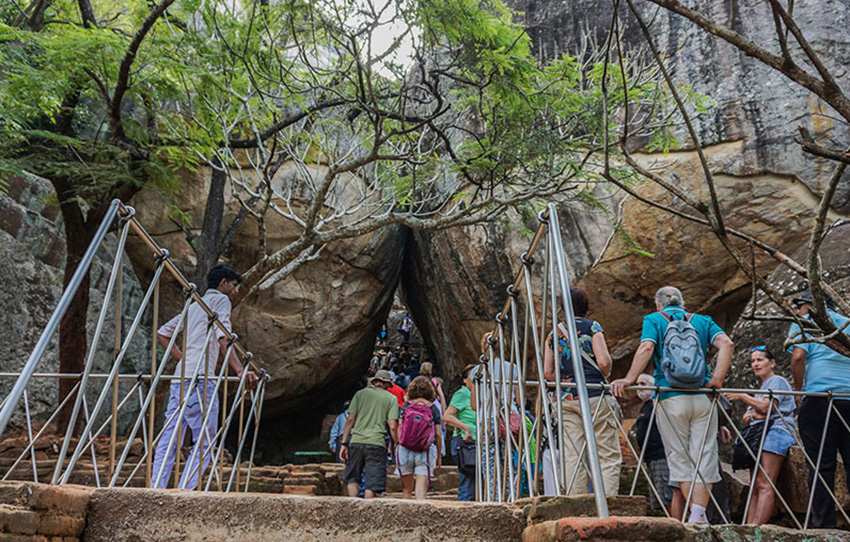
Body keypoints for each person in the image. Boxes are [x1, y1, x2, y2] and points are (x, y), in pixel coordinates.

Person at [612, 286, 734, 524]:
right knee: (705, 457)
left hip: (670, 399)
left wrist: (628, 378)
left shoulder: (655, 320)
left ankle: (696, 518)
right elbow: (727, 344)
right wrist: (717, 379)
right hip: (703, 397)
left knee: (680, 459)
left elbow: (647, 347)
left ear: (659, 305)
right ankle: (699, 515)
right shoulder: (702, 321)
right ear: (683, 303)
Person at [152, 264, 257, 489]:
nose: (236, 291)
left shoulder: (194, 305)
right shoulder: (221, 301)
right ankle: (185, 490)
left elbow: (163, 333)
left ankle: (157, 486)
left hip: (181, 377)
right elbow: (224, 337)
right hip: (201, 378)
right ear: (223, 283)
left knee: (171, 436)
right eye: (234, 285)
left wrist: (182, 358)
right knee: (205, 441)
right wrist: (239, 370)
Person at [543, 287, 621, 496]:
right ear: (586, 306)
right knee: (606, 452)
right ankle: (609, 503)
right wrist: (604, 373)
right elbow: (603, 361)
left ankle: (576, 504)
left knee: (572, 453)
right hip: (595, 394)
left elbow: (548, 373)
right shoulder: (592, 327)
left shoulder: (553, 334)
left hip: (566, 398)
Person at [787, 290, 850, 529]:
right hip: (848, 397)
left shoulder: (806, 323)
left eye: (798, 306)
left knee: (820, 463)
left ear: (809, 306)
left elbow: (798, 357)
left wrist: (798, 391)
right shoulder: (847, 323)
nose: (796, 311)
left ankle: (824, 525)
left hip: (820, 398)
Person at [724, 345, 796, 525]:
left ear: (772, 363)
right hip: (759, 433)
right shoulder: (762, 387)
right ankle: (748, 527)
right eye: (753, 361)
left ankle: (758, 529)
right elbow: (748, 416)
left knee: (765, 482)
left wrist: (743, 396)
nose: (755, 364)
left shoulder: (777, 381)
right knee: (755, 484)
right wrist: (757, 409)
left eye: (760, 359)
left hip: (776, 431)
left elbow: (767, 408)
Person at [340, 369, 399, 499]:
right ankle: (367, 511)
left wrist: (344, 443)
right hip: (376, 442)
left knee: (353, 477)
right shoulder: (391, 399)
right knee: (372, 482)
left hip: (356, 440)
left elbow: (350, 419)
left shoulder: (360, 394)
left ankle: (352, 505)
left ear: (375, 381)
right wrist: (397, 443)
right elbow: (393, 426)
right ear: (387, 384)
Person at [631, 374, 672, 513]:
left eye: (643, 384)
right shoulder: (646, 406)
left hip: (661, 454)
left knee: (666, 495)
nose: (639, 387)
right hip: (650, 457)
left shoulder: (659, 403)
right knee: (658, 497)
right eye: (638, 384)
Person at [397, 376, 442, 499]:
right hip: (425, 451)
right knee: (421, 491)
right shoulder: (433, 408)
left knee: (406, 490)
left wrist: (398, 445)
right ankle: (419, 515)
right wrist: (438, 454)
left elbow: (399, 428)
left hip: (405, 449)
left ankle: (405, 517)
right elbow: (438, 433)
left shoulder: (406, 406)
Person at [444, 364, 478, 501]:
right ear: (465, 380)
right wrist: (465, 427)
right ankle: (464, 507)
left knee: (475, 479)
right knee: (468, 478)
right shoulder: (463, 393)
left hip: (477, 441)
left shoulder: (479, 394)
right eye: (473, 376)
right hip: (466, 442)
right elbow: (447, 416)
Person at [420, 362, 447, 456]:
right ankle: (440, 451)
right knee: (439, 428)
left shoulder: (418, 380)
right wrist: (444, 412)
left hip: (420, 404)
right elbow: (442, 396)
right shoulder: (434, 381)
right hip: (434, 404)